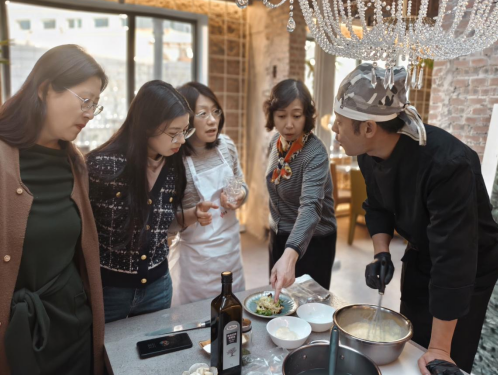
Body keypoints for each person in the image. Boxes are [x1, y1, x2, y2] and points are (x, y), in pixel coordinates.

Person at [331, 63, 498, 375]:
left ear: (368, 128)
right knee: (412, 334)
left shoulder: (447, 165)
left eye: (339, 122)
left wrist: (440, 350)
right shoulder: (367, 154)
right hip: (422, 249)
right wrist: (381, 253)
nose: (333, 128)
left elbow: (453, 260)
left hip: (469, 265)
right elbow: (378, 205)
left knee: (442, 355)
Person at [0, 45, 107, 375]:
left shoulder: (75, 163)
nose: (90, 113)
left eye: (95, 105)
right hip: (17, 334)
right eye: (85, 100)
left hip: (73, 327)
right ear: (45, 89)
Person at [87, 80, 194, 323]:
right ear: (147, 127)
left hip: (158, 287)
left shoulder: (174, 167)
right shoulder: (102, 166)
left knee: (155, 345)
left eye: (185, 131)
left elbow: (162, 226)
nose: (181, 140)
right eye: (173, 133)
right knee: (107, 347)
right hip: (109, 290)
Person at [168, 82, 248, 305]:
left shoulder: (226, 146)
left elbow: (242, 185)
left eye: (215, 111)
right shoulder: (175, 159)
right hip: (197, 264)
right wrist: (194, 214)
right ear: (186, 119)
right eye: (202, 113)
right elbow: (166, 222)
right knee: (196, 319)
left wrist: (240, 195)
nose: (212, 120)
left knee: (232, 311)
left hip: (231, 253)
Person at [264, 79, 337, 301]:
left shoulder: (315, 154)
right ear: (272, 116)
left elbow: (310, 207)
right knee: (279, 299)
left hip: (314, 239)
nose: (289, 124)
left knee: (309, 305)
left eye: (296, 116)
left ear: (307, 116)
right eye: (281, 115)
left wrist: (291, 251)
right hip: (279, 234)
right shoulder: (275, 143)